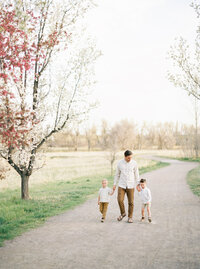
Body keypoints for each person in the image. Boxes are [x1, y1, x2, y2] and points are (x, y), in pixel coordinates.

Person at [113, 150, 139, 223]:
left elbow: (136, 174)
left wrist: (138, 184)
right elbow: (117, 174)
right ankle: (123, 213)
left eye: (131, 157)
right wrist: (114, 184)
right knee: (120, 200)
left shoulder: (134, 163)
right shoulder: (120, 163)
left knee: (131, 202)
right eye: (128, 158)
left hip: (131, 185)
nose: (130, 159)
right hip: (122, 185)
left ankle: (130, 217)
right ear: (125, 157)